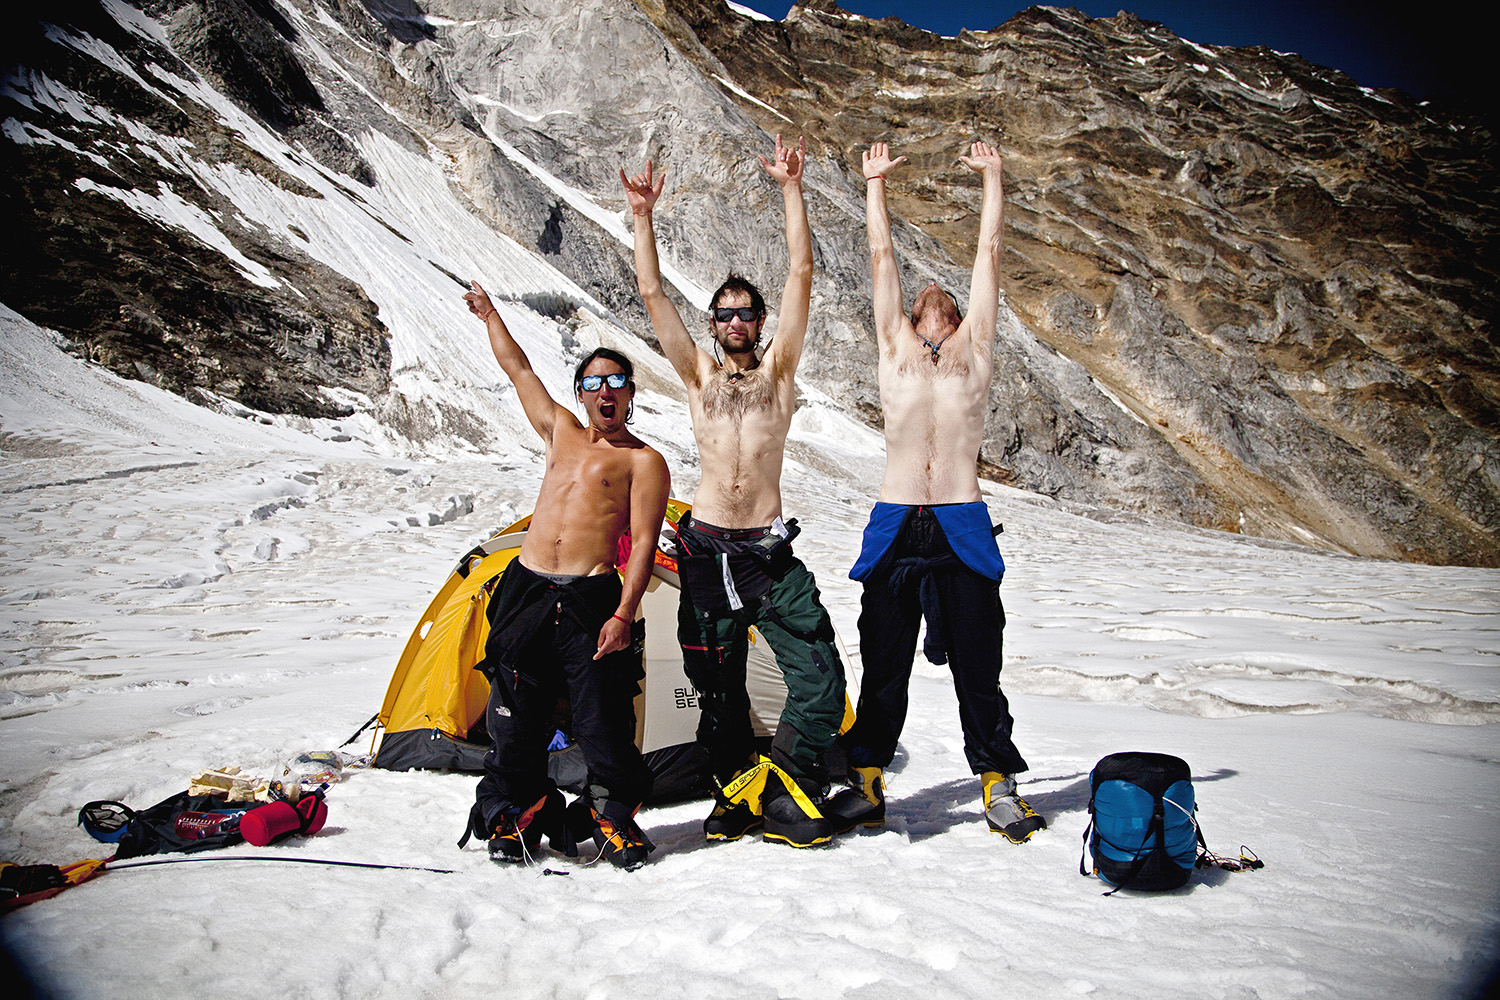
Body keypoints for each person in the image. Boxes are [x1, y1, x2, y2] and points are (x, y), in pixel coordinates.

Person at [620, 136, 846, 848]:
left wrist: (790, 189)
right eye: (725, 314)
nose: (737, 322)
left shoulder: (779, 374)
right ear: (714, 327)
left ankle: (790, 783)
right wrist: (643, 217)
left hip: (769, 553)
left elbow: (802, 274)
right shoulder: (698, 378)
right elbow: (653, 294)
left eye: (746, 312)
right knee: (717, 697)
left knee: (820, 678)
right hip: (707, 547)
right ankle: (734, 795)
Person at [827, 141, 1045, 844]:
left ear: (951, 316)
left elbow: (988, 254)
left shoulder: (974, 348)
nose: (933, 295)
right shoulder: (893, 346)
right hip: (896, 519)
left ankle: (995, 779)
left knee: (979, 664)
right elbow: (880, 259)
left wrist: (994, 176)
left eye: (943, 297)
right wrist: (875, 187)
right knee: (884, 660)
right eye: (926, 297)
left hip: (961, 517)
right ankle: (867, 778)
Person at [459, 281, 671, 871]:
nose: (605, 392)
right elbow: (517, 368)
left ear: (630, 394)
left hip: (590, 595)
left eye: (616, 382)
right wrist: (489, 313)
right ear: (581, 394)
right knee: (515, 714)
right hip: (526, 588)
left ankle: (610, 814)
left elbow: (646, 543)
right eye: (594, 383)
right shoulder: (559, 430)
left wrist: (623, 613)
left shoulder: (643, 461)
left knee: (600, 719)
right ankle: (520, 809)